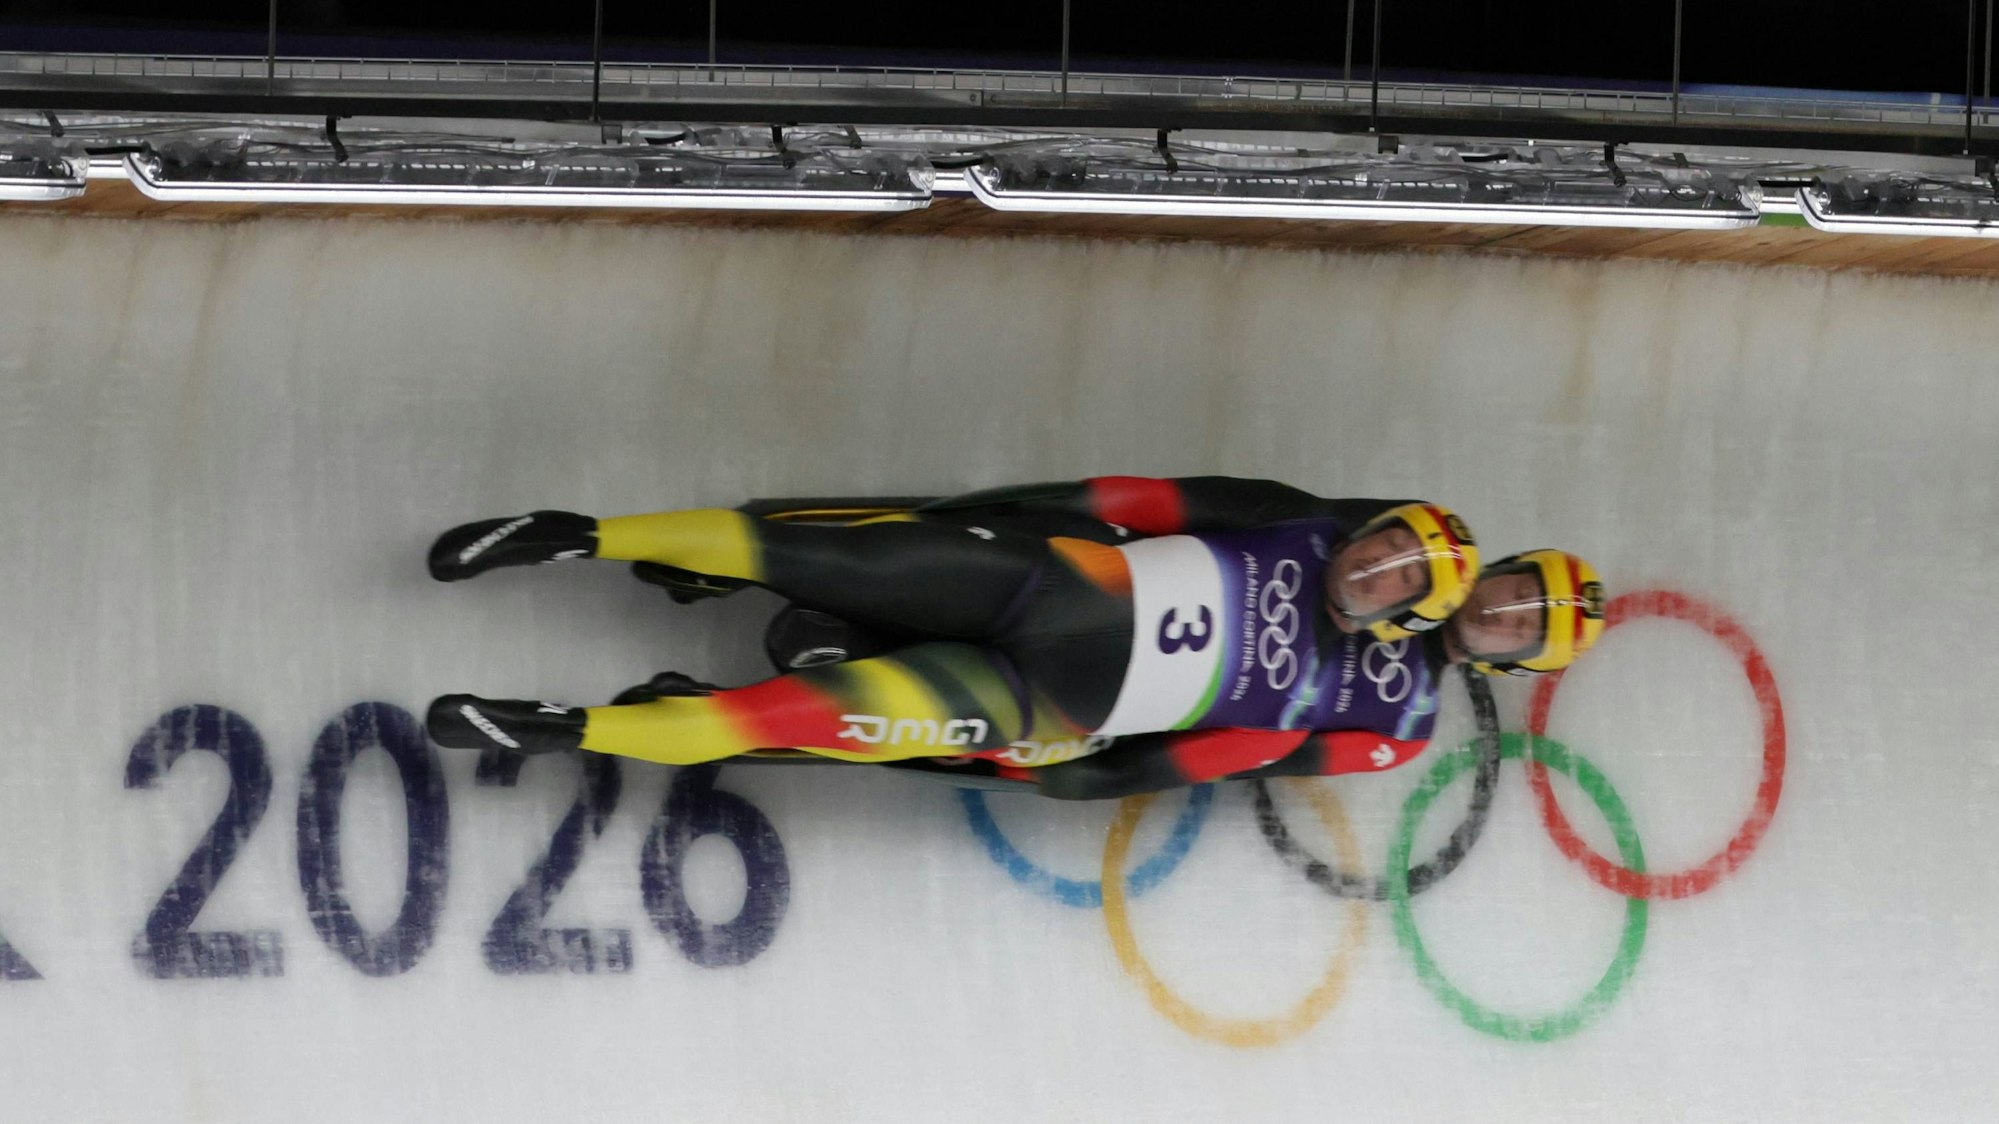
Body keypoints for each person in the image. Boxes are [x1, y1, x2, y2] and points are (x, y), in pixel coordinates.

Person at [421, 476, 1600, 796]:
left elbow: (1231, 753)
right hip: (1060, 585)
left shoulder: (1392, 723)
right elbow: (1161, 494)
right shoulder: (1318, 518)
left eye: (1516, 624)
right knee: (826, 554)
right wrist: (1019, 505)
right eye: (1384, 543)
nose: (1373, 563)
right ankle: (576, 533)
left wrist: (1084, 778)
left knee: (803, 719)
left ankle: (566, 728)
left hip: (1050, 706)